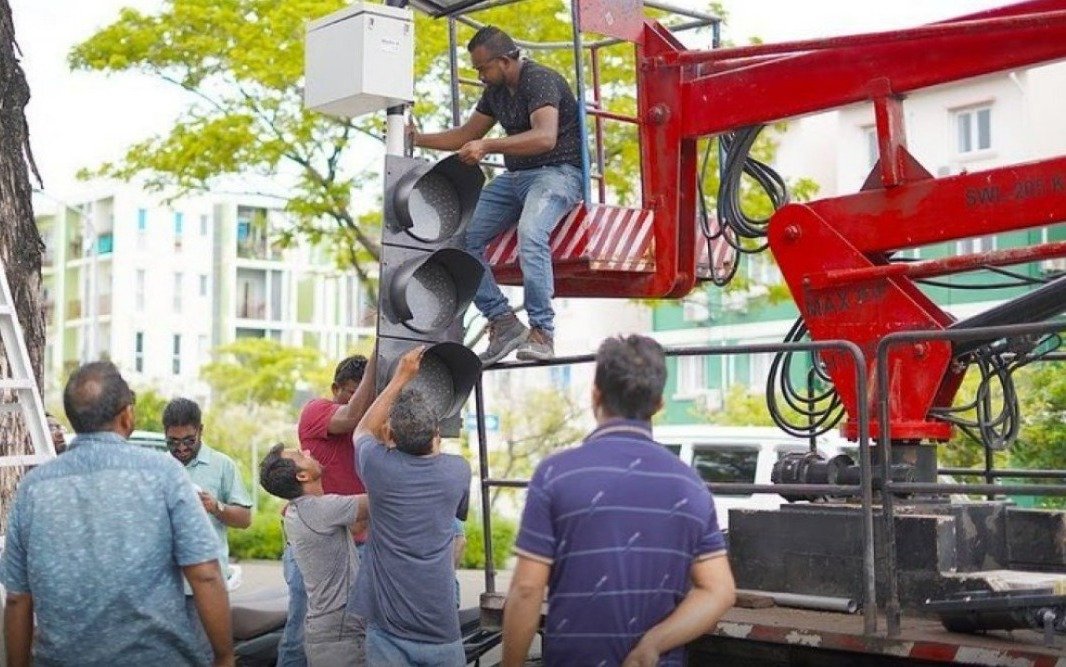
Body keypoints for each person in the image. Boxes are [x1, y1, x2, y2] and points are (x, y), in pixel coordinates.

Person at [501, 335, 737, 666]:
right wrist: (654, 643)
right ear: (659, 404)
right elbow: (719, 591)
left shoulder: (556, 474)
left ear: (595, 395)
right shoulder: (690, 485)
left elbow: (527, 589)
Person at [0, 361, 233, 666]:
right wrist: (225, 656)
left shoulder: (33, 487)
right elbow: (205, 574)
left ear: (73, 418)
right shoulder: (164, 474)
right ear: (127, 415)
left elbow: (17, 599)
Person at [410, 25, 584, 365]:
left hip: (557, 174)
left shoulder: (539, 80)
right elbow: (467, 134)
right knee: (458, 237)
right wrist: (418, 139)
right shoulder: (495, 92)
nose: (480, 76)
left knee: (531, 233)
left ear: (505, 61)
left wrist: (488, 145)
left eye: (483, 68)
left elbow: (545, 137)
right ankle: (503, 321)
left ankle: (542, 332)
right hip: (516, 178)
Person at [352, 347, 472, 666]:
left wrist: (401, 377)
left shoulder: (377, 465)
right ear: (437, 434)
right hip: (441, 628)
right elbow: (457, 517)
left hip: (388, 629)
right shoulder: (458, 470)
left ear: (390, 436)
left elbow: (362, 430)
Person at [280, 352, 377, 667]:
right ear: (336, 389)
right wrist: (379, 352)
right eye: (354, 391)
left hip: (361, 546)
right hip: (317, 548)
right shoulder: (316, 411)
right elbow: (351, 414)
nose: (363, 400)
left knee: (358, 637)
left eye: (369, 393)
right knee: (299, 636)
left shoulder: (374, 425)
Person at [259, 444, 369, 666]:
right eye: (301, 455)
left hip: (330, 630)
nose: (308, 452)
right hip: (338, 635)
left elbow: (357, 526)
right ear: (302, 476)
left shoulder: (299, 510)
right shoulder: (320, 509)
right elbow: (384, 498)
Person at [163, 397, 253, 657]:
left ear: (200, 430)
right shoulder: (159, 466)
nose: (181, 448)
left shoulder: (222, 465)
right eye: (173, 442)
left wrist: (216, 507)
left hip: (206, 584)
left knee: (203, 655)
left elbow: (245, 519)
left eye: (188, 440)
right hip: (165, 584)